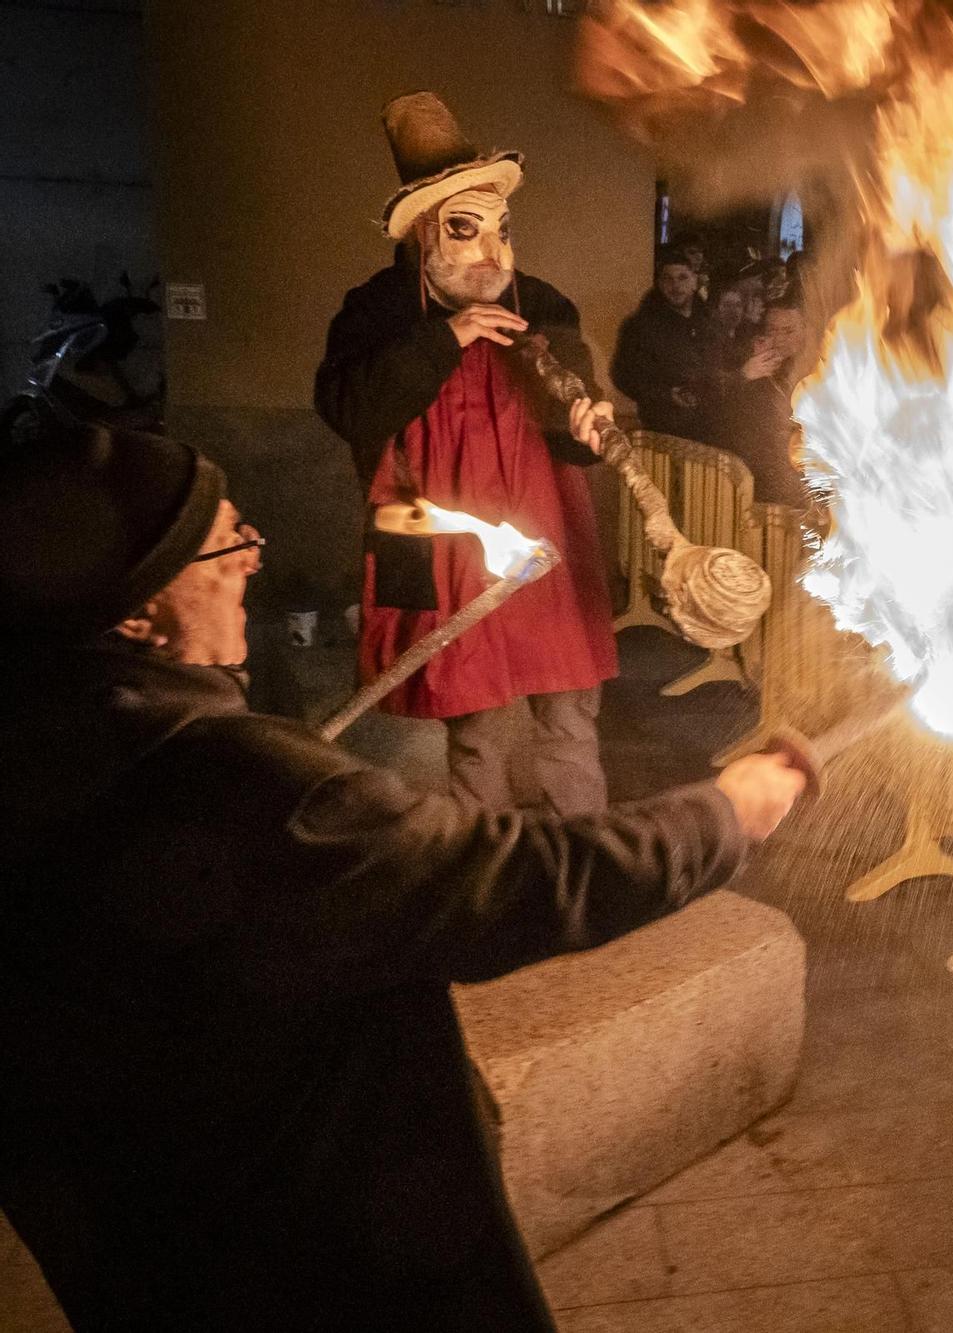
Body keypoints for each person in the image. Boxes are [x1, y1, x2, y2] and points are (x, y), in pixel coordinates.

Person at [0, 426, 808, 1331]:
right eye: (226, 542)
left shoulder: (44, 737)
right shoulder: (244, 789)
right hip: (316, 1249)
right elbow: (523, 880)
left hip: (131, 1248)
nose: (254, 558)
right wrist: (724, 813)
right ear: (136, 610)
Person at [315, 92, 620, 816]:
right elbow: (347, 406)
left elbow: (572, 381)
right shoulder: (381, 309)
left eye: (501, 229)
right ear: (423, 233)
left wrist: (587, 412)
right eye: (464, 228)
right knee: (476, 720)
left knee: (570, 710)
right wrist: (444, 339)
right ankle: (479, 869)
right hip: (446, 532)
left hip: (543, 531)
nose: (491, 252)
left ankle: (585, 853)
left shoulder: (539, 302)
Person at [713, 296, 814, 509]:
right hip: (761, 481)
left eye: (788, 331)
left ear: (805, 330)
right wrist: (744, 376)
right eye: (772, 331)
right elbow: (722, 417)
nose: (779, 339)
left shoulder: (820, 366)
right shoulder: (750, 369)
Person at [611, 245, 713, 441]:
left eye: (682, 278)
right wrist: (665, 394)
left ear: (694, 281)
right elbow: (623, 376)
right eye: (668, 278)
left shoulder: (709, 322)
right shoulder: (640, 327)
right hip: (662, 428)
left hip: (709, 428)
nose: (675, 286)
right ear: (659, 283)